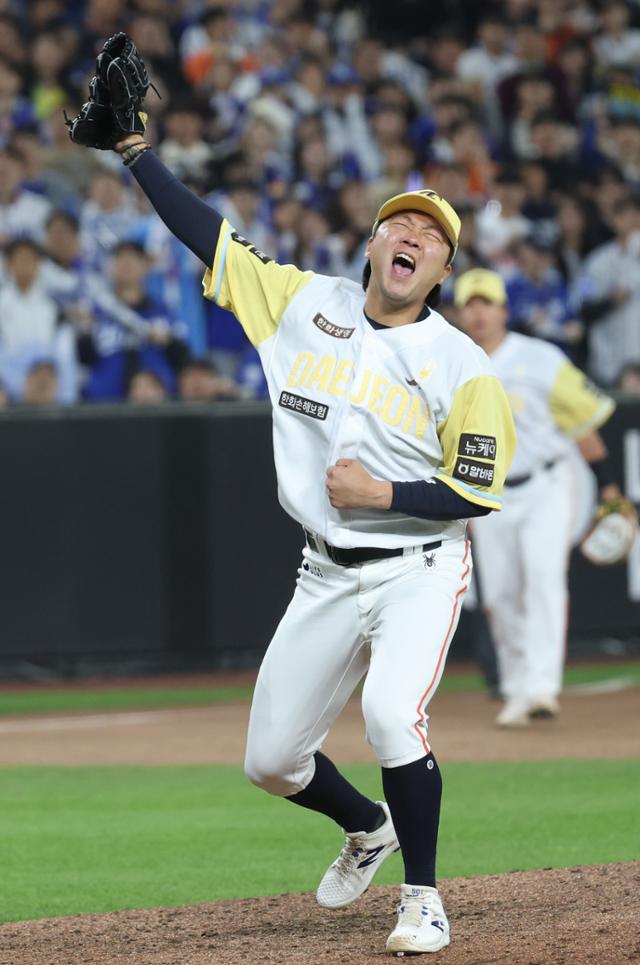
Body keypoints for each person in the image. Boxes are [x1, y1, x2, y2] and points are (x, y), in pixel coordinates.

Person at [94, 123, 516, 956]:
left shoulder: (464, 364)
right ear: (371, 243)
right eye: (401, 223)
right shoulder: (299, 301)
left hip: (418, 568)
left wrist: (382, 491)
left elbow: (476, 490)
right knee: (272, 760)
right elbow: (206, 233)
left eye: (432, 237)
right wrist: (137, 151)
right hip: (324, 570)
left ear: (442, 272)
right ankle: (368, 825)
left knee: (393, 715)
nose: (413, 237)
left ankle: (424, 899)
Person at [455, 268, 619, 727]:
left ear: (504, 310)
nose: (479, 312)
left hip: (546, 486)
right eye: (470, 303)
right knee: (501, 595)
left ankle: (542, 688)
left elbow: (583, 424)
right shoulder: (453, 363)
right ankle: (515, 688)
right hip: (490, 497)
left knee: (544, 581)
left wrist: (606, 485)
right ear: (460, 312)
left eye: (486, 303)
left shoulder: (540, 358)